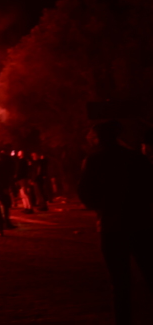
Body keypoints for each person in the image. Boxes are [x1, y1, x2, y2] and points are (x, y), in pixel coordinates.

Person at [78, 120, 153, 325]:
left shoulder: (93, 160)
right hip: (141, 222)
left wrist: (102, 206)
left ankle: (123, 320)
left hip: (111, 225)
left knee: (119, 281)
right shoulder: (136, 158)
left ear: (98, 138)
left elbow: (85, 193)